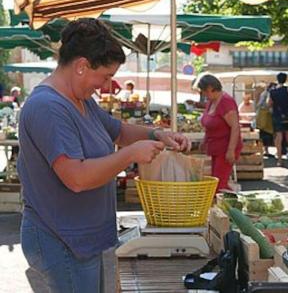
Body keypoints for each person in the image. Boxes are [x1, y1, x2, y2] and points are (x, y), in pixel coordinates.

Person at [18, 18, 191, 292]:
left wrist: (156, 135)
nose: (105, 85)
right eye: (106, 76)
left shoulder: (82, 99)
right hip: (61, 240)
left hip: (81, 239)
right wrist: (129, 155)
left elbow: (119, 131)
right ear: (81, 66)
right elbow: (76, 178)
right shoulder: (48, 107)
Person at [198, 74, 243, 192]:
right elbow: (210, 124)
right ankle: (228, 202)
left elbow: (235, 127)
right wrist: (204, 141)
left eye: (203, 91)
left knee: (219, 185)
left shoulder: (226, 102)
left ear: (210, 88)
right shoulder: (211, 101)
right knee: (216, 182)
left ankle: (229, 205)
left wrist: (231, 150)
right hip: (215, 148)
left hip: (226, 149)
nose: (203, 94)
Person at [269, 72, 288, 168]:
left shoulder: (272, 91)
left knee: (278, 139)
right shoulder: (287, 89)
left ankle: (280, 160)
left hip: (277, 116)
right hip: (287, 116)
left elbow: (269, 104)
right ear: (285, 79)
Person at [257, 83, 276, 157]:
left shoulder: (266, 93)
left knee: (267, 135)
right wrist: (267, 107)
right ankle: (264, 150)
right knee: (264, 134)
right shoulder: (265, 94)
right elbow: (260, 104)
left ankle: (266, 150)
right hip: (264, 117)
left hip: (267, 117)